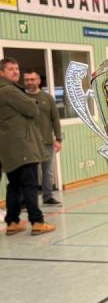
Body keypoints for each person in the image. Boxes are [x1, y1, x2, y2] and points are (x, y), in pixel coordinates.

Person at [0, 57, 55, 235]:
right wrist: (32, 102)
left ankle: (12, 222)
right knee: (30, 185)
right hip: (22, 147)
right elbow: (32, 109)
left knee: (14, 186)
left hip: (9, 149)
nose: (16, 71)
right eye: (11, 69)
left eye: (17, 68)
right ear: (1, 72)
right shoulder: (9, 90)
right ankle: (37, 221)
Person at [23, 68, 63, 205]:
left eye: (32, 79)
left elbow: (55, 119)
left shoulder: (48, 98)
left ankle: (47, 197)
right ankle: (29, 200)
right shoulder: (21, 98)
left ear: (39, 81)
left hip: (47, 142)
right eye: (27, 80)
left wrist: (58, 139)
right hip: (28, 143)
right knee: (30, 173)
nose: (29, 82)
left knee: (47, 171)